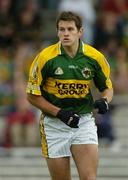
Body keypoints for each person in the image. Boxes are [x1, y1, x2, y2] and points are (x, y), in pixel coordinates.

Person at [26, 11, 113, 180]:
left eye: (70, 29)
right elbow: (31, 95)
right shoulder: (45, 58)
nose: (65, 33)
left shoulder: (94, 57)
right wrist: (59, 112)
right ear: (57, 31)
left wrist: (105, 100)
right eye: (61, 29)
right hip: (54, 125)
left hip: (83, 122)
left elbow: (107, 87)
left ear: (80, 32)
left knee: (89, 178)